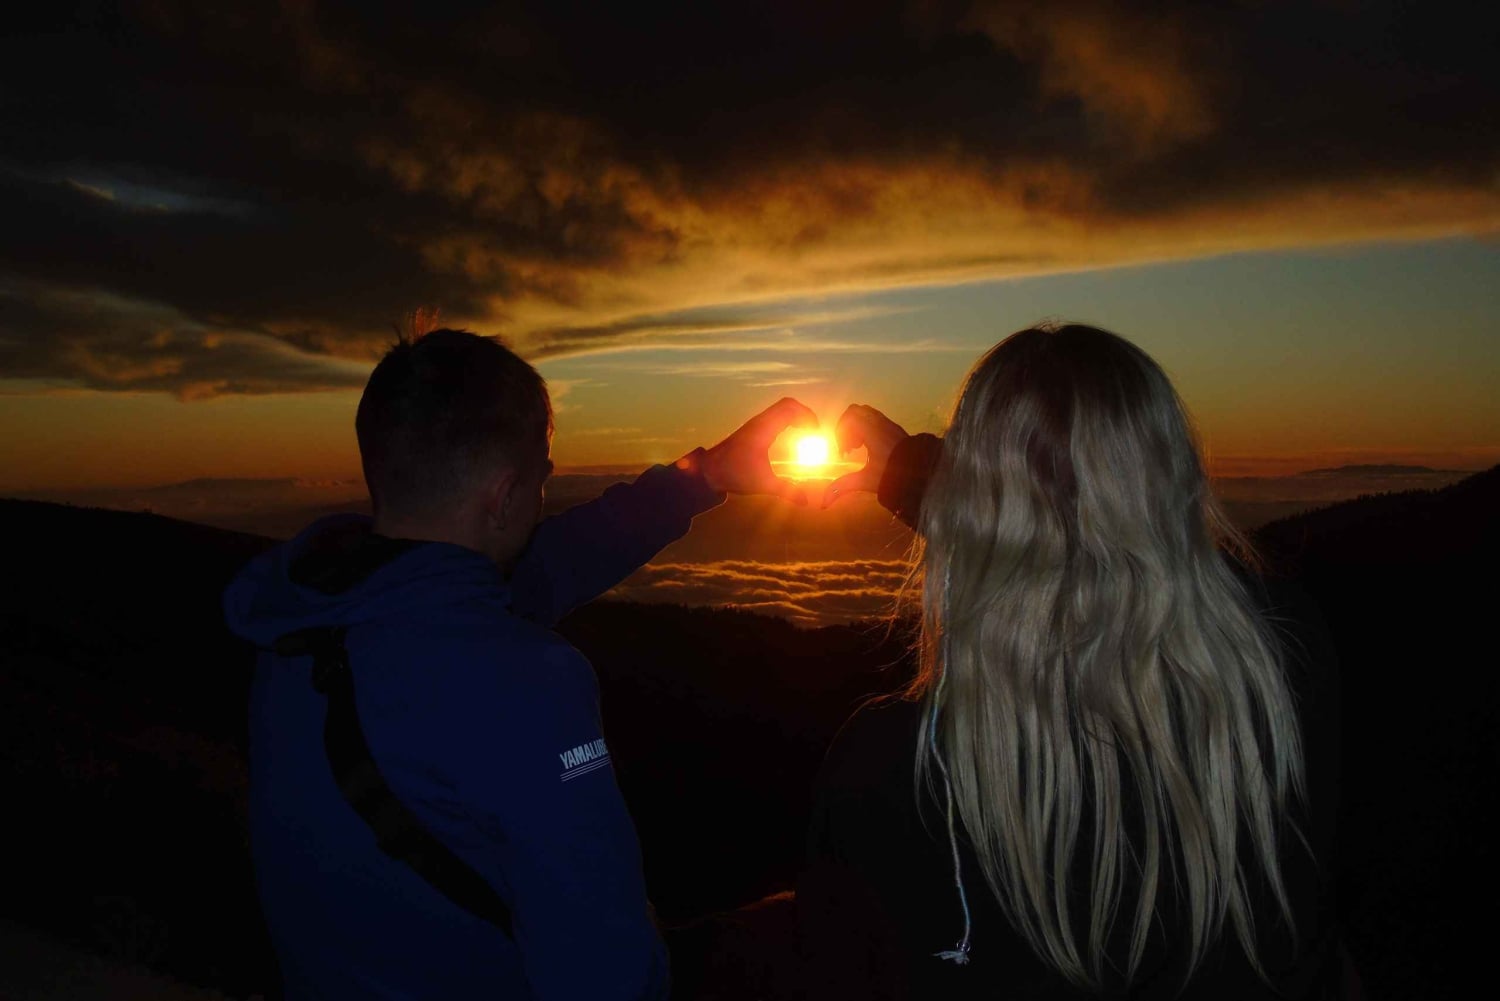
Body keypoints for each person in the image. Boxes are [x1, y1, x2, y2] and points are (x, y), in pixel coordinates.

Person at [223, 328, 816, 1000]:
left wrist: (705, 476)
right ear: (505, 496)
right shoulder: (528, 684)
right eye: (542, 475)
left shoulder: (302, 624)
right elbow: (607, 974)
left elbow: (541, 568)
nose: (545, 493)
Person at [802, 323, 1342, 999]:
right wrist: (918, 473)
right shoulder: (1284, 661)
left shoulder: (892, 770)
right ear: (1173, 472)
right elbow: (1099, 545)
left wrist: (946, 485)